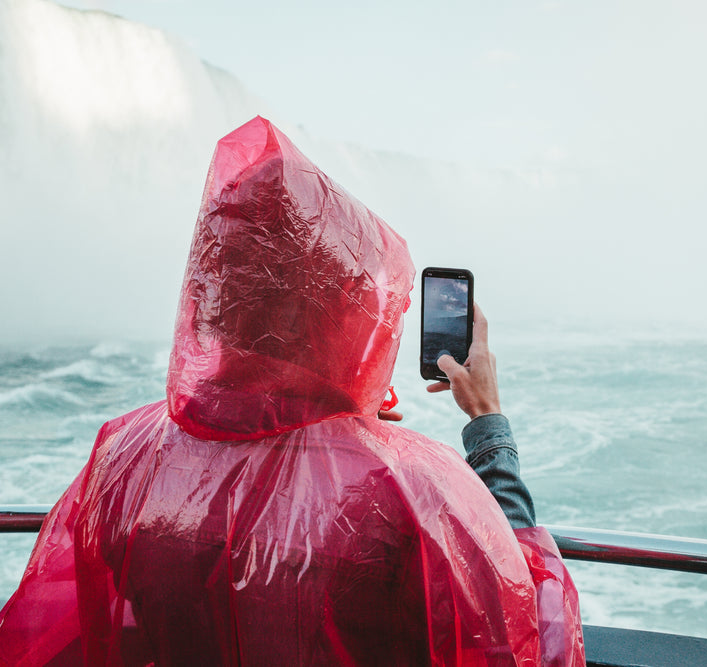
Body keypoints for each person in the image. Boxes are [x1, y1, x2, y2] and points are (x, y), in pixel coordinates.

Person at [0, 117, 585, 666]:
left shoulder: (122, 456)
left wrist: (344, 430)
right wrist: (487, 425)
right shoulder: (414, 495)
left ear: (213, 288)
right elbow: (523, 629)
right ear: (343, 311)